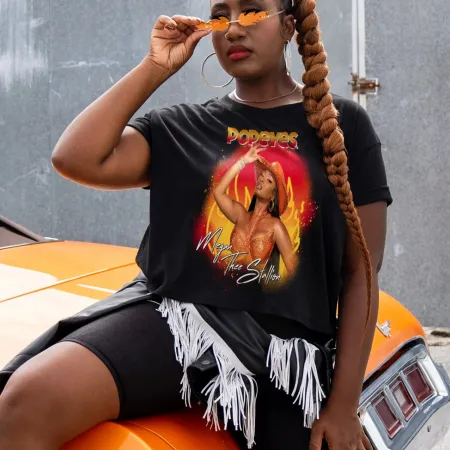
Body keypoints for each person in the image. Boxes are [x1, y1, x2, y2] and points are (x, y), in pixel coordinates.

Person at [0, 0, 393, 449]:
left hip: (284, 354)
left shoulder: (343, 128)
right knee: (27, 399)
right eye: (220, 15)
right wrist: (154, 67)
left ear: (288, 26)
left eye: (250, 12)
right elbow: (75, 157)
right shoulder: (183, 126)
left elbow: (361, 272)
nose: (232, 29)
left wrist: (343, 406)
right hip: (179, 322)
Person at [213, 144, 298, 280]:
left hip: (260, 296)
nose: (262, 180)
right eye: (261, 176)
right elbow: (218, 192)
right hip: (228, 291)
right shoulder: (240, 215)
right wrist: (242, 162)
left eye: (269, 181)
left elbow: (295, 272)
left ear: (272, 197)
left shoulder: (276, 226)